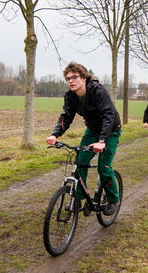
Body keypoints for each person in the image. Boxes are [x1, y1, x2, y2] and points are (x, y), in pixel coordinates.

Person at [46, 62, 122, 215]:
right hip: (92, 130)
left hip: (111, 131)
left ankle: (113, 200)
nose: (71, 81)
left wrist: (102, 142)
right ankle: (80, 198)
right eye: (68, 79)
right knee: (80, 162)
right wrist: (55, 134)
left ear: (84, 78)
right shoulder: (71, 96)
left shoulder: (98, 91)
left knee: (104, 168)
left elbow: (109, 115)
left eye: (74, 77)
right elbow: (66, 117)